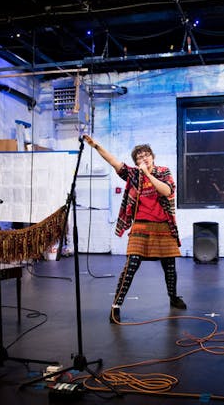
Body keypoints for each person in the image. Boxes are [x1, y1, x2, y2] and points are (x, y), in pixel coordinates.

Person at [82, 134, 187, 323]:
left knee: (169, 266)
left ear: (152, 157)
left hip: (163, 225)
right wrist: (96, 146)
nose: (144, 158)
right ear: (136, 162)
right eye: (139, 157)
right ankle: (116, 306)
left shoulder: (163, 171)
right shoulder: (133, 175)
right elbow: (114, 162)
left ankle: (173, 297)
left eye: (146, 155)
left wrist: (148, 174)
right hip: (141, 225)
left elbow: (168, 191)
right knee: (131, 265)